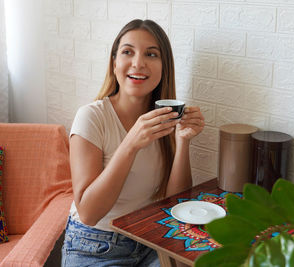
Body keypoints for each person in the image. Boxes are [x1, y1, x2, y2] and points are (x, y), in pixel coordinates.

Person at [61, 19, 205, 267]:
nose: (138, 63)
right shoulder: (92, 117)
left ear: (164, 68)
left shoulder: (165, 116)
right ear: (114, 62)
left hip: (149, 239)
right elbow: (88, 213)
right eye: (128, 52)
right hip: (94, 244)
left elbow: (174, 205)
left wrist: (182, 143)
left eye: (151, 54)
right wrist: (130, 144)